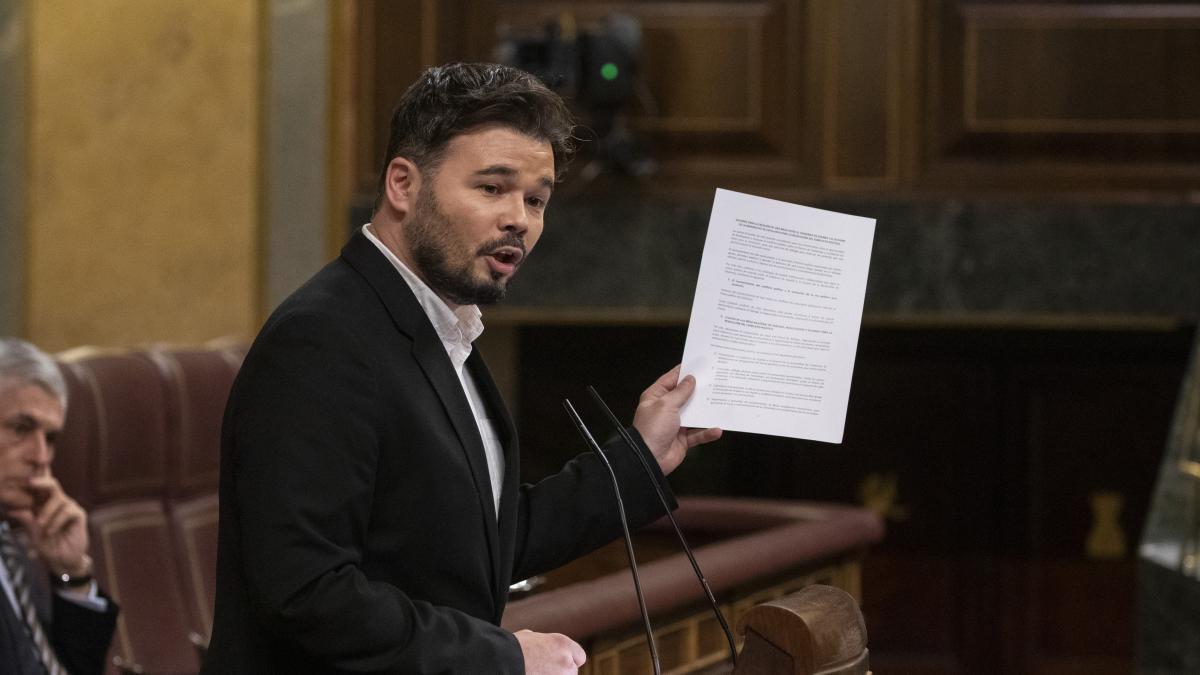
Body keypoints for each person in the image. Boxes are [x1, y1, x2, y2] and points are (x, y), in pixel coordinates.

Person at [203, 62, 720, 674]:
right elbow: (305, 594)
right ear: (403, 185)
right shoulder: (322, 341)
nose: (519, 220)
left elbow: (483, 541)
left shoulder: (439, 328)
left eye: (536, 199)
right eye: (491, 188)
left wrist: (642, 456)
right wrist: (503, 656)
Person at [0, 339, 119, 675]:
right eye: (21, 429)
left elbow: (76, 668)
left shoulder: (14, 544)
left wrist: (70, 573)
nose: (40, 457)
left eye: (50, 438)